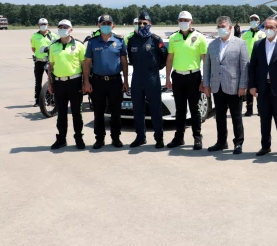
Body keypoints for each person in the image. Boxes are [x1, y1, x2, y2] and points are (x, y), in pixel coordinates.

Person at [203, 16, 249, 154]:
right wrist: (206, 85)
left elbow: (244, 66)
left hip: (234, 87)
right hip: (217, 86)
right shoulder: (212, 44)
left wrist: (243, 86)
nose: (221, 29)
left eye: (223, 26)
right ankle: (221, 142)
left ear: (230, 27)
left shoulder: (240, 43)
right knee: (220, 116)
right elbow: (207, 67)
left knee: (236, 116)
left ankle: (238, 143)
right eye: (219, 27)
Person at [249, 17, 277, 157]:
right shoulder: (258, 45)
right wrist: (252, 86)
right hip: (262, 88)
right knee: (264, 119)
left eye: (271, 27)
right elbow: (252, 68)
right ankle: (265, 146)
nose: (268, 30)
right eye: (266, 27)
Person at [82, 15, 129, 149]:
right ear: (98, 25)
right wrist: (86, 81)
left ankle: (116, 138)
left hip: (115, 81)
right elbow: (87, 63)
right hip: (98, 82)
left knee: (115, 112)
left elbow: (124, 62)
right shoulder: (93, 42)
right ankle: (99, 138)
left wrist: (125, 81)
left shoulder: (120, 41)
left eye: (108, 23)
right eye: (103, 23)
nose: (106, 25)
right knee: (98, 111)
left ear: (113, 25)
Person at [165, 11, 208, 150]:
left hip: (193, 76)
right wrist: (167, 77)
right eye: (180, 19)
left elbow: (205, 60)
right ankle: (179, 137)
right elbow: (170, 58)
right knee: (180, 109)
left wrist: (204, 80)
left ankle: (197, 137)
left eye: (186, 20)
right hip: (177, 76)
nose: (183, 22)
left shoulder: (200, 38)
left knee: (195, 109)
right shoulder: (173, 38)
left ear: (191, 22)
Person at [127, 12, 168, 148]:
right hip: (137, 77)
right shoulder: (132, 40)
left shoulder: (156, 40)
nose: (142, 25)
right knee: (137, 108)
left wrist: (155, 68)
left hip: (152, 78)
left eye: (145, 23)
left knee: (155, 109)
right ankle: (140, 137)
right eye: (139, 23)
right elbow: (131, 59)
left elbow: (163, 57)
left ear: (150, 24)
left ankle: (159, 138)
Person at [47, 20, 87, 150]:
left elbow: (85, 65)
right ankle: (61, 139)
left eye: (65, 27)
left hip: (74, 83)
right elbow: (50, 67)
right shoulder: (53, 46)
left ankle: (79, 138)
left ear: (71, 30)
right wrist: (50, 83)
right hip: (58, 83)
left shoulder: (79, 45)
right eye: (60, 27)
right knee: (61, 113)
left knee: (76, 113)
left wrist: (86, 82)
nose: (62, 29)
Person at [241, 14, 266, 116]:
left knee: (260, 87)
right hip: (247, 63)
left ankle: (260, 109)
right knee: (249, 86)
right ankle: (249, 109)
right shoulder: (245, 34)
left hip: (259, 64)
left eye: (255, 19)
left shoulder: (263, 34)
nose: (253, 21)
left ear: (259, 22)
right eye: (251, 19)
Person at [30, 18, 56, 106]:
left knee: (51, 80)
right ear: (38, 25)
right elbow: (33, 49)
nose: (43, 26)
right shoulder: (34, 36)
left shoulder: (54, 35)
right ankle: (38, 100)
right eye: (41, 24)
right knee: (38, 81)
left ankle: (50, 100)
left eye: (45, 24)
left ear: (48, 25)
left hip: (49, 62)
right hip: (38, 61)